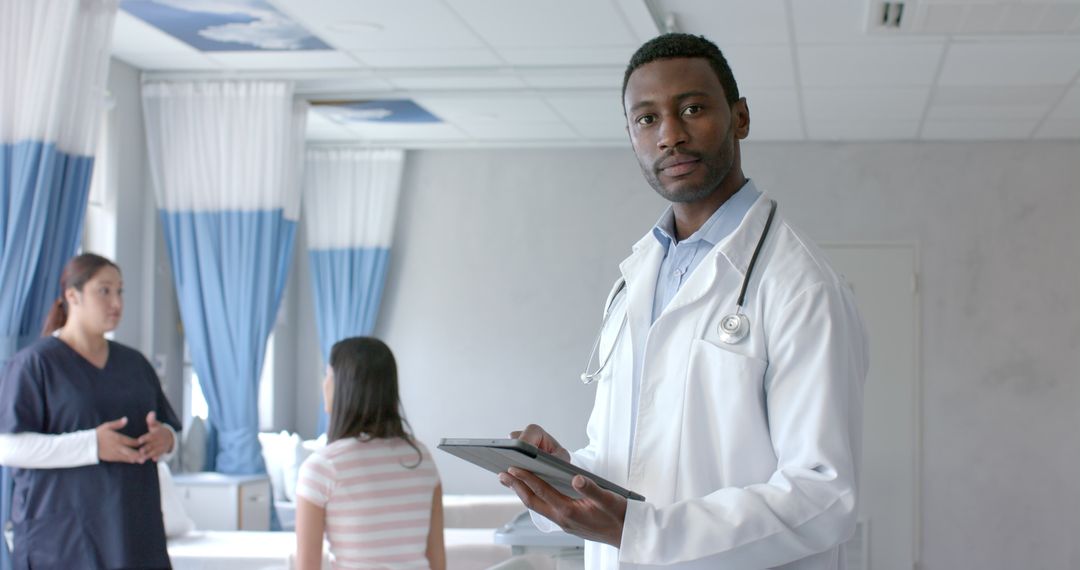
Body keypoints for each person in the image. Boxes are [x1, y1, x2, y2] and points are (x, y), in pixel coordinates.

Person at [499, 34, 869, 569]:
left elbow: (824, 497)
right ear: (631, 136)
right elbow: (631, 454)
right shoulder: (635, 280)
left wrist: (645, 530)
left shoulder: (800, 286)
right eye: (646, 119)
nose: (669, 135)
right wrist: (565, 471)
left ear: (740, 118)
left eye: (692, 109)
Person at [0, 253, 181, 569]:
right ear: (73, 296)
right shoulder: (35, 364)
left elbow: (166, 429)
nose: (116, 302)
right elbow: (8, 447)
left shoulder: (134, 364)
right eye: (104, 290)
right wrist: (91, 446)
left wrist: (166, 441)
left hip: (134, 533)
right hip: (63, 539)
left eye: (120, 291)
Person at [295, 337, 445, 570]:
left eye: (328, 375)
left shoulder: (323, 466)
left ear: (343, 385)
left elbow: (307, 566)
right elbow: (438, 563)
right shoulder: (421, 458)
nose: (324, 383)